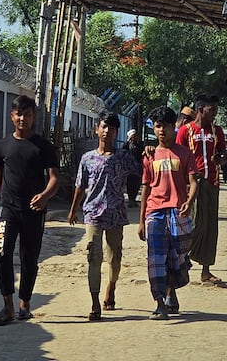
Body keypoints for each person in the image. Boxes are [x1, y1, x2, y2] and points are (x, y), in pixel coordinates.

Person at [0, 95, 59, 325]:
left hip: (33, 211)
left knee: (29, 259)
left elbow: (53, 179)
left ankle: (24, 304)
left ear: (33, 117)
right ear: (12, 116)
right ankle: (7, 306)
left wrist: (44, 196)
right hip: (7, 209)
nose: (23, 118)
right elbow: (0, 179)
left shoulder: (43, 147)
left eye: (27, 114)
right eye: (19, 114)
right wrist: (2, 203)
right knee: (2, 255)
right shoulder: (1, 146)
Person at [68, 110, 132, 321]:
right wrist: (73, 209)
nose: (107, 131)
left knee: (114, 259)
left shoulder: (123, 157)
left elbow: (144, 170)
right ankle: (95, 302)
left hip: (116, 214)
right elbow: (80, 186)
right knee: (93, 258)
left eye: (111, 128)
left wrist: (149, 151)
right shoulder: (87, 158)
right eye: (104, 127)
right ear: (97, 129)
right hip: (93, 214)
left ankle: (111, 287)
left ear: (116, 132)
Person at [138, 106, 198, 320]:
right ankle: (159, 303)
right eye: (158, 126)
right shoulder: (150, 155)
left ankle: (172, 293)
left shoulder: (184, 153)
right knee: (156, 258)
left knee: (176, 257)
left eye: (166, 126)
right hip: (155, 212)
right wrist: (141, 220)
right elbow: (146, 187)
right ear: (154, 129)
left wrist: (189, 201)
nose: (162, 130)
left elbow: (193, 181)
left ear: (175, 127)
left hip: (178, 212)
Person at [175, 93, 226, 284]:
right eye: (211, 109)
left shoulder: (217, 131)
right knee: (194, 224)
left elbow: (222, 152)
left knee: (210, 226)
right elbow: (178, 157)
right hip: (191, 185)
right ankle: (184, 259)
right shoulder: (185, 131)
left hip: (212, 183)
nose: (214, 113)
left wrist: (220, 158)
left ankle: (206, 270)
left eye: (216, 110)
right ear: (200, 109)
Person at [122, 129, 143, 207]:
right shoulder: (126, 145)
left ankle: (134, 199)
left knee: (136, 184)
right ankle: (131, 200)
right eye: (133, 136)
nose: (135, 138)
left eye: (136, 136)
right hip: (129, 168)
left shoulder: (140, 146)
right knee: (129, 184)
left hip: (137, 167)